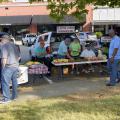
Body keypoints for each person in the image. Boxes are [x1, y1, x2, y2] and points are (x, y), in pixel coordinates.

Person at [0, 35, 20, 104]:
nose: (1, 40)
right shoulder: (14, 46)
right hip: (15, 66)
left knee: (5, 83)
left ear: (5, 39)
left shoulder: (4, 46)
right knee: (14, 82)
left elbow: (4, 59)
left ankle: (6, 99)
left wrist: (3, 68)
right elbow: (19, 57)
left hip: (8, 67)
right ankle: (14, 97)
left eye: (1, 39)